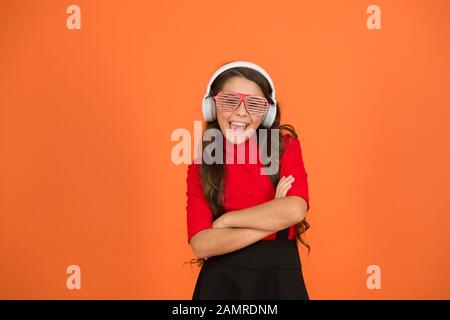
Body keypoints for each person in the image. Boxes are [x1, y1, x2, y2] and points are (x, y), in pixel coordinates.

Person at [186, 61, 311, 299]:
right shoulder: (202, 164)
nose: (241, 112)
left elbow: (295, 209)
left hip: (279, 283)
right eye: (229, 101)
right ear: (212, 107)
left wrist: (225, 222)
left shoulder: (284, 147)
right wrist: (275, 217)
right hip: (221, 285)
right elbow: (201, 244)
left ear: (267, 113)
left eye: (254, 104)